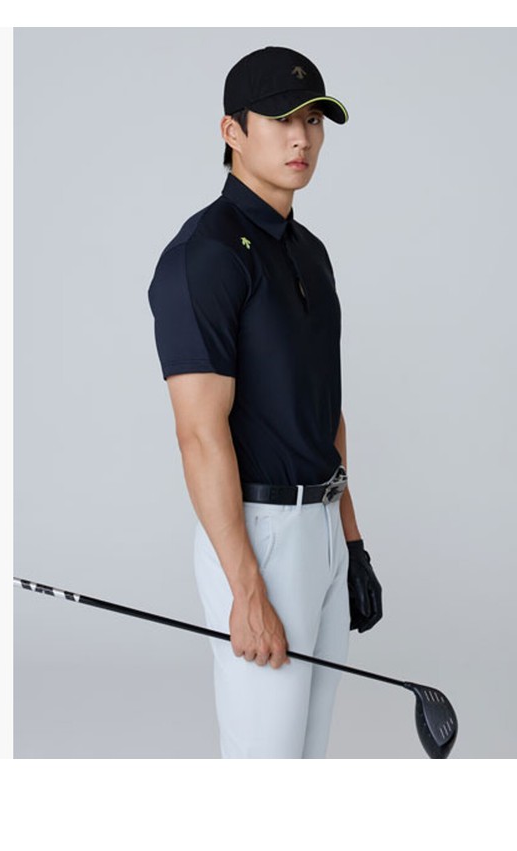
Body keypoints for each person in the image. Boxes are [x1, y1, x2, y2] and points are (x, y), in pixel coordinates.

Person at [147, 45, 383, 758]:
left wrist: (352, 543)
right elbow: (199, 433)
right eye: (281, 119)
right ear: (233, 131)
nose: (300, 138)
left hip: (323, 529)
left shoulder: (309, 251)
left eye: (312, 119)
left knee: (305, 760)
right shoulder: (205, 255)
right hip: (258, 537)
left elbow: (325, 408)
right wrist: (245, 587)